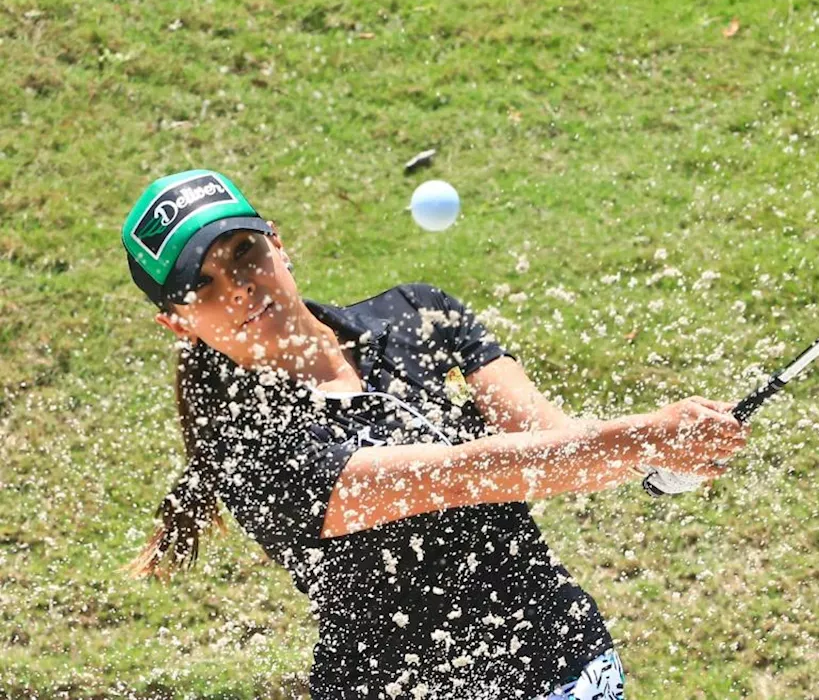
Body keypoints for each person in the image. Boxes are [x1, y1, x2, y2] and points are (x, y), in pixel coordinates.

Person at [119, 170, 749, 700]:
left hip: (567, 668)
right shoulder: (244, 444)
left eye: (243, 255)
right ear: (176, 324)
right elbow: (464, 474)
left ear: (278, 244)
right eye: (200, 286)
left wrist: (659, 460)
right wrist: (638, 439)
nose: (238, 288)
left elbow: (548, 438)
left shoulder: (418, 313)